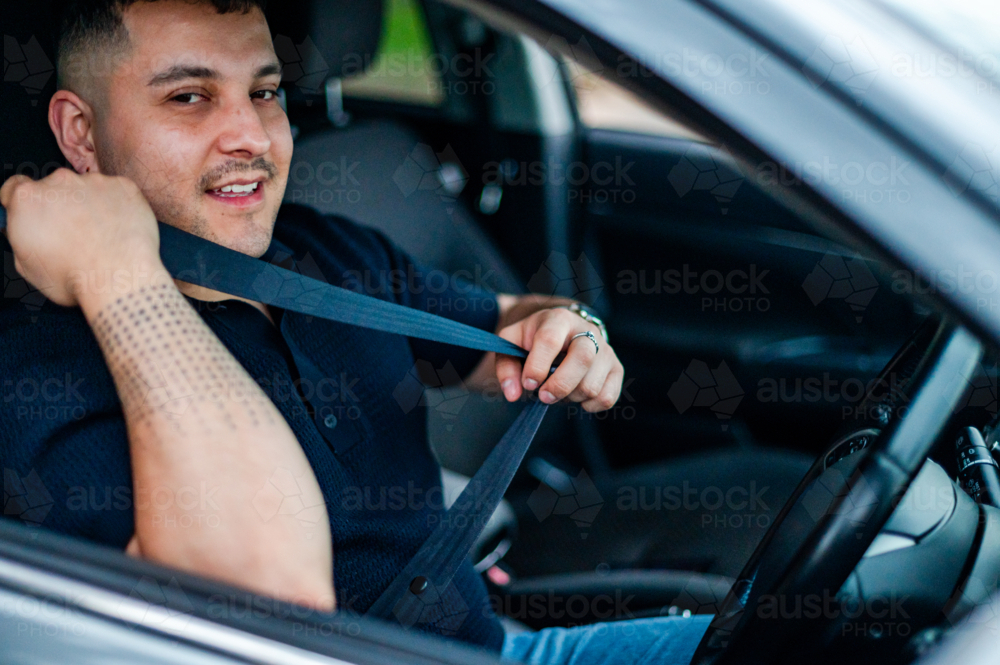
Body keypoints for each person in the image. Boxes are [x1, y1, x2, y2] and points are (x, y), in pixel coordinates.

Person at [0, 1, 710, 663]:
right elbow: (273, 598)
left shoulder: (329, 252)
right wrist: (119, 274)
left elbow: (512, 324)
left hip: (490, 647)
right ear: (80, 134)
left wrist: (573, 328)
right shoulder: (38, 361)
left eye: (266, 93)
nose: (251, 135)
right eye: (190, 97)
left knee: (806, 632)